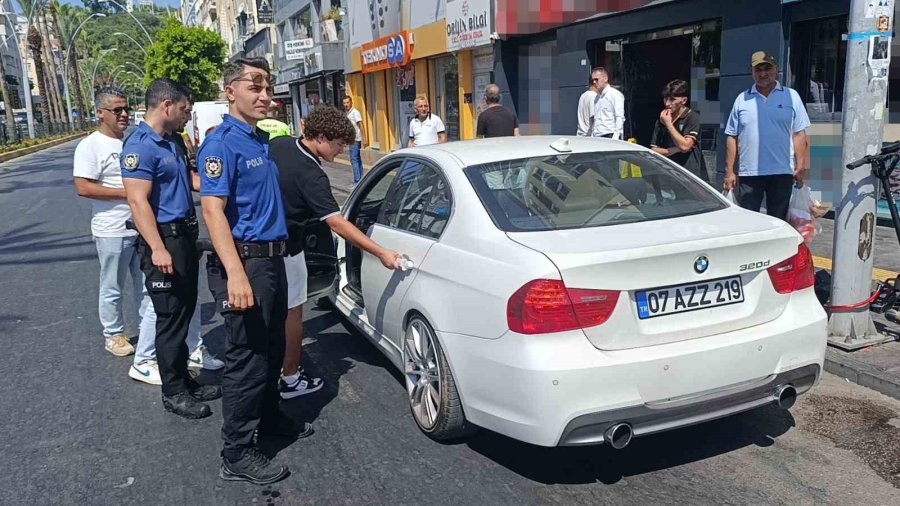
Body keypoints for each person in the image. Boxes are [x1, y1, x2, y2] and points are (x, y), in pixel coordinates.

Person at [200, 57, 303, 485]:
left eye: (268, 87)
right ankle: (237, 452)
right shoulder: (222, 143)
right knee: (247, 361)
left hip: (271, 261)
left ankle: (270, 418)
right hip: (245, 264)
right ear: (230, 91)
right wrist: (236, 273)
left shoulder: (259, 139)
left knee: (274, 350)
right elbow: (212, 210)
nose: (266, 96)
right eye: (255, 87)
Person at [269, 106, 403, 400]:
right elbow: (337, 222)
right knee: (294, 313)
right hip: (288, 248)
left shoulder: (279, 145)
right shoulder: (312, 175)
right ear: (320, 137)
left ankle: (273, 368)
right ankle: (290, 377)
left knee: (272, 315)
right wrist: (380, 252)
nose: (341, 150)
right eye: (339, 144)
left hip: (261, 246)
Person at [122, 79, 222, 416]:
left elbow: (191, 181)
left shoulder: (173, 141)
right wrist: (157, 249)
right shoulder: (140, 146)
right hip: (162, 240)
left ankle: (185, 380)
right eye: (184, 110)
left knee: (185, 310)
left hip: (184, 237)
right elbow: (138, 202)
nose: (186, 117)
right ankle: (173, 392)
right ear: (167, 105)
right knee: (169, 318)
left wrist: (224, 186)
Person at [73, 86, 144, 359]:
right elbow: (83, 187)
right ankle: (113, 335)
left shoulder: (133, 141)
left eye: (126, 108)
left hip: (142, 226)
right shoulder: (90, 146)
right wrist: (127, 193)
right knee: (112, 286)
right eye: (117, 110)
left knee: (147, 285)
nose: (124, 114)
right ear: (101, 113)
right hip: (112, 230)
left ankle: (148, 330)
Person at [724, 51, 811, 221]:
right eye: (758, 70)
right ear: (752, 72)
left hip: (782, 171)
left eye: (767, 68)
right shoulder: (742, 99)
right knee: (749, 221)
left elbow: (799, 134)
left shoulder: (791, 96)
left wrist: (801, 166)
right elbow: (731, 137)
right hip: (749, 173)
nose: (763, 74)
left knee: (778, 221)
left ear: (776, 69)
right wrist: (729, 172)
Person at [649, 79, 709, 183]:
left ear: (683, 100)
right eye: (665, 98)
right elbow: (654, 150)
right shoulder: (662, 119)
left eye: (672, 99)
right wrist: (675, 149)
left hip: (689, 177)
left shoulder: (692, 117)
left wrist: (669, 124)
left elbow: (685, 146)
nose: (667, 103)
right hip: (669, 175)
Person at [590, 67, 625, 140]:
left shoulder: (615, 94)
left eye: (596, 79)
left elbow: (619, 117)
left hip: (609, 135)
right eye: (593, 80)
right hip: (597, 136)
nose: (594, 82)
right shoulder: (596, 98)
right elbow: (596, 119)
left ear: (605, 79)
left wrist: (615, 137)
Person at [342, 95, 365, 183]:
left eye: (347, 102)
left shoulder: (355, 112)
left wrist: (364, 137)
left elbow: (361, 125)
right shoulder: (347, 113)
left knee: (354, 159)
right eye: (344, 103)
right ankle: (361, 179)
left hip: (355, 139)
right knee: (357, 159)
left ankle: (357, 180)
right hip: (351, 139)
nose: (346, 104)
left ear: (351, 102)